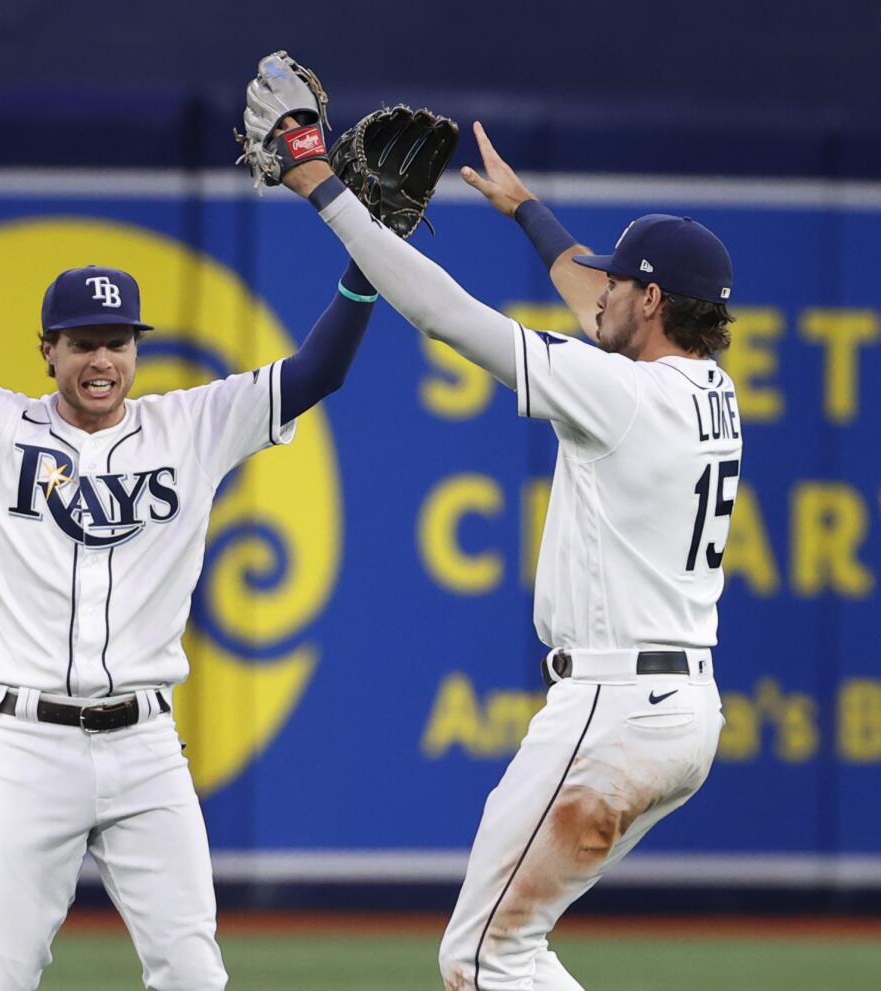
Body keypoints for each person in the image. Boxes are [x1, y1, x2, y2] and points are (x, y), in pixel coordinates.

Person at [266, 95, 738, 990]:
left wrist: (323, 187)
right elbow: (596, 295)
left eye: (616, 282)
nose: (595, 289)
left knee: (483, 954)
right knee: (501, 949)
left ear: (650, 299)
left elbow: (447, 316)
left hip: (615, 709)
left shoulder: (624, 393)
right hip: (683, 713)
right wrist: (527, 213)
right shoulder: (708, 387)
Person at [0, 233, 379, 984]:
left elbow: (320, 370)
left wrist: (366, 259)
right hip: (28, 747)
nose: (103, 361)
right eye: (84, 343)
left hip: (146, 747)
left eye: (119, 342)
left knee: (194, 975)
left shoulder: (193, 425)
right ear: (47, 351)